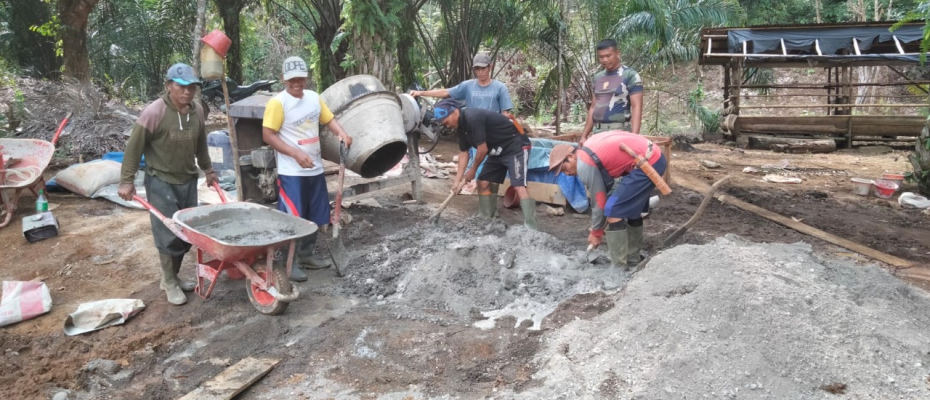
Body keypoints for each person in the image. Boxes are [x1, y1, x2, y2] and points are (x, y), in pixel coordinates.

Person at [118, 63, 217, 305]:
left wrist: (209, 169)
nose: (187, 91)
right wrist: (126, 181)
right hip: (161, 180)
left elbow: (201, 143)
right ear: (168, 85)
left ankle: (172, 276)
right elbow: (134, 148)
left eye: (191, 86)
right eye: (181, 86)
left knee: (184, 233)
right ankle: (169, 282)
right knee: (167, 233)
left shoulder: (197, 112)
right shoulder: (155, 112)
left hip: (187, 179)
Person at [262, 56, 353, 282]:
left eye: (301, 78)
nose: (297, 83)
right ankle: (288, 263)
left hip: (314, 169)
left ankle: (306, 255)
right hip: (292, 172)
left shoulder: (313, 98)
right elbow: (268, 135)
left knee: (314, 215)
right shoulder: (278, 103)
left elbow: (329, 119)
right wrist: (295, 153)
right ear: (283, 79)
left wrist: (341, 133)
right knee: (294, 217)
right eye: (292, 79)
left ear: (306, 78)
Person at [548, 131, 666, 269]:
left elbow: (599, 202)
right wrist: (597, 226)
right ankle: (633, 259)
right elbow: (606, 192)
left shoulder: (584, 165)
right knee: (631, 209)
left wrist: (596, 233)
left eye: (564, 168)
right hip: (654, 157)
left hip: (647, 162)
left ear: (571, 156)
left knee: (613, 210)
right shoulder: (587, 151)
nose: (567, 174)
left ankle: (619, 268)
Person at [434, 99, 536, 229]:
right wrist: (457, 181)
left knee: (518, 185)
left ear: (454, 112)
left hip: (515, 146)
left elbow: (482, 150)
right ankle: (486, 218)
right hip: (496, 150)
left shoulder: (473, 118)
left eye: (446, 121)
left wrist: (472, 170)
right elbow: (464, 153)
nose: (446, 125)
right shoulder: (461, 128)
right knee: (482, 182)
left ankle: (531, 228)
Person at [578, 39, 644, 146]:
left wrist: (634, 137)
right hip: (597, 133)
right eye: (601, 57)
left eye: (608, 56)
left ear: (617, 53)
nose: (605, 60)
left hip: (620, 132)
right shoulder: (598, 78)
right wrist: (584, 136)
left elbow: (637, 107)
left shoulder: (630, 75)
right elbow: (593, 107)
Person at [409, 53, 514, 117]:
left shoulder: (500, 88)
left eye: (483, 68)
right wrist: (421, 93)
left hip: (493, 131)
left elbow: (505, 115)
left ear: (490, 67)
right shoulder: (468, 86)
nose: (480, 72)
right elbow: (446, 92)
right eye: (477, 69)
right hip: (473, 131)